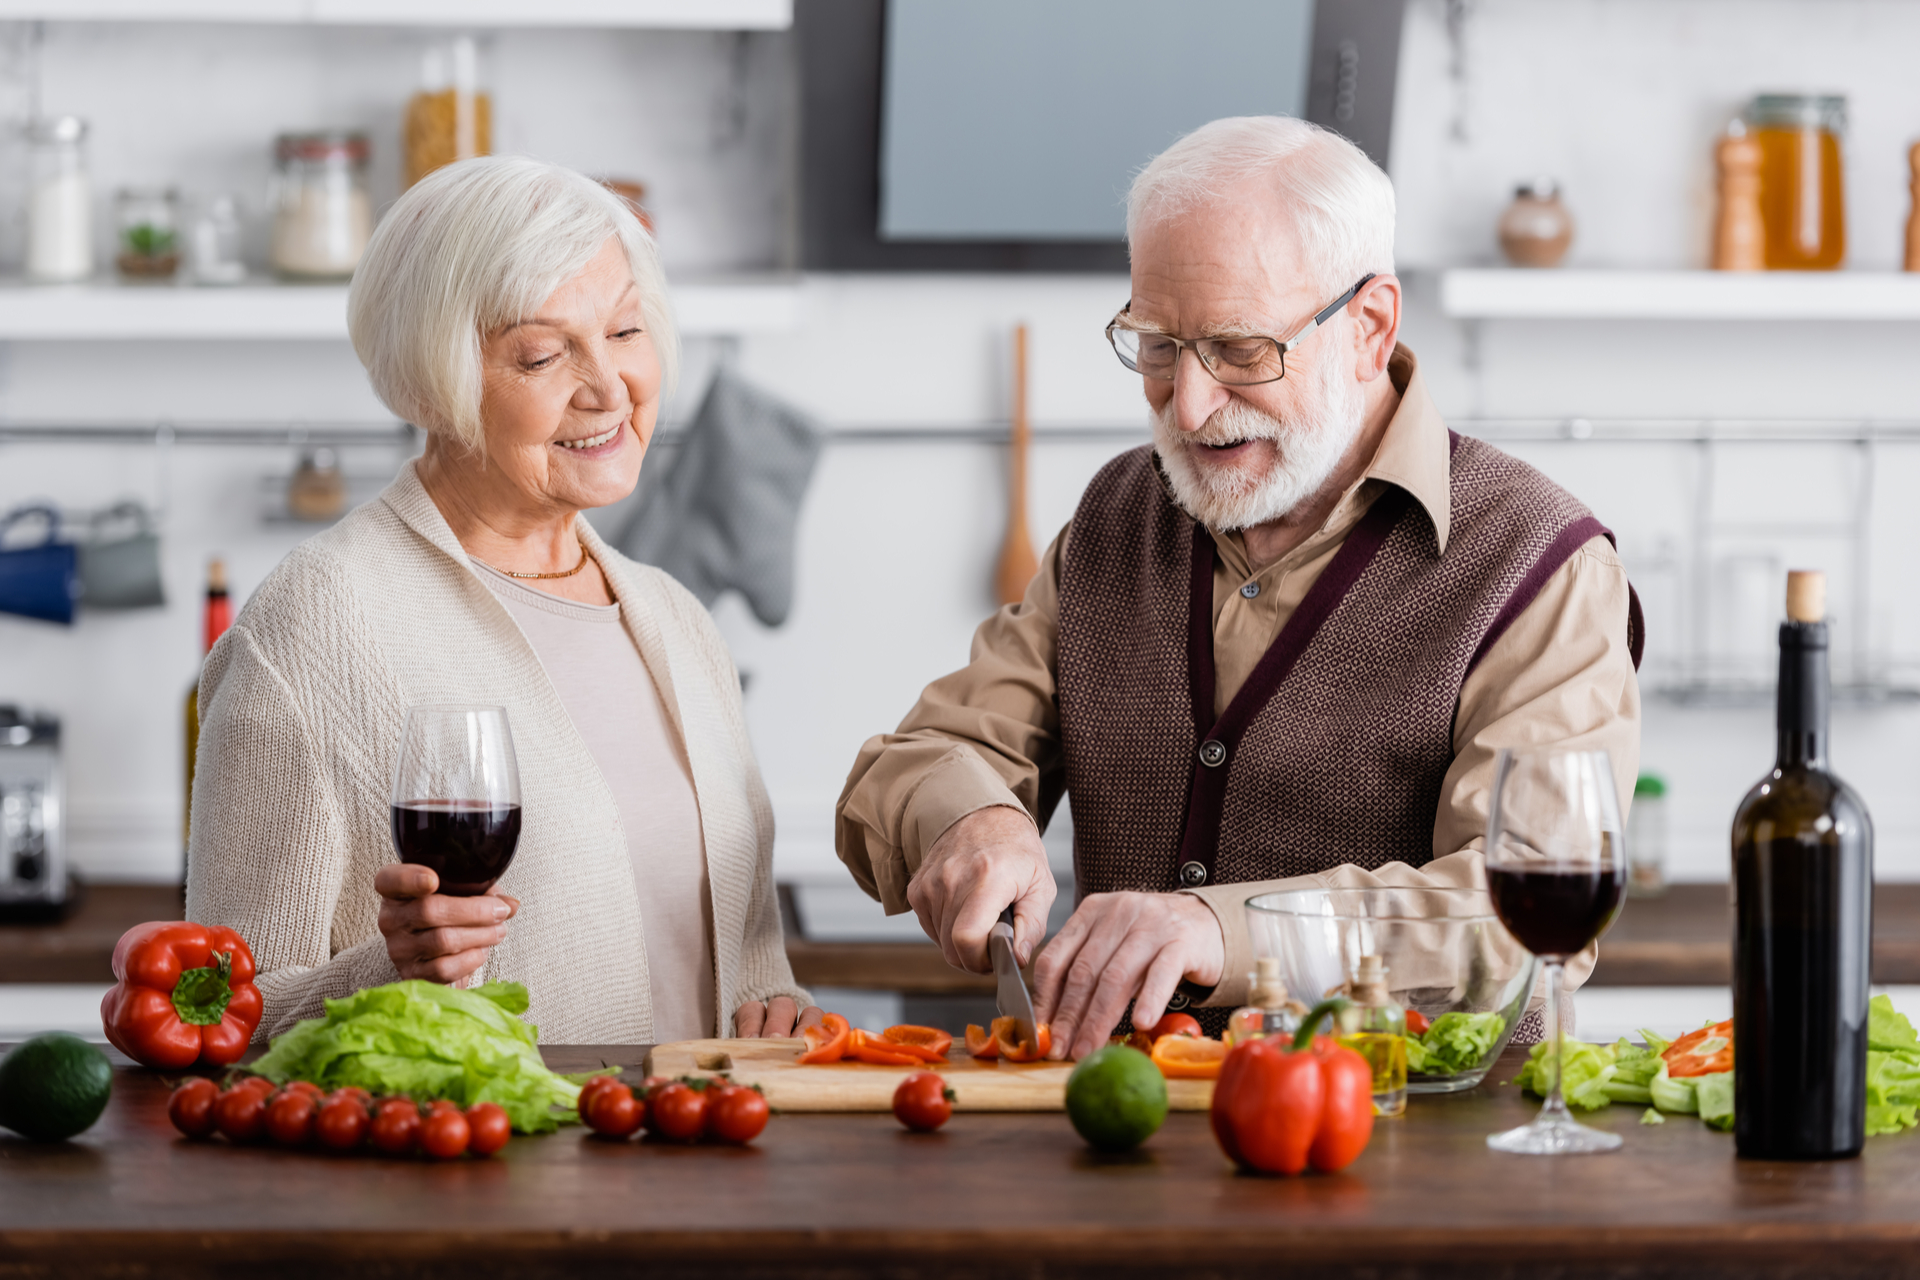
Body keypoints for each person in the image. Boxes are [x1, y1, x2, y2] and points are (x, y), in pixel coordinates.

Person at [835, 117, 1642, 1061]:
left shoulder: (1536, 559)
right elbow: (930, 750)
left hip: (1426, 1161)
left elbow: (1523, 906)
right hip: (1133, 1137)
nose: (1187, 405)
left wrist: (1229, 932)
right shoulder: (1117, 517)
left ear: (1370, 327)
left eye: (1240, 350)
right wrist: (973, 816)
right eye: (1157, 345)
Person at [187, 156, 820, 1045]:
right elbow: (220, 1016)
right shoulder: (315, 626)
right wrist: (394, 972)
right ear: (432, 381)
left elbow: (749, 966)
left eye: (626, 330)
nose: (608, 388)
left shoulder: (675, 620)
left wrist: (776, 1015)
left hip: (700, 1171)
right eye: (542, 352)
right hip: (476, 1175)